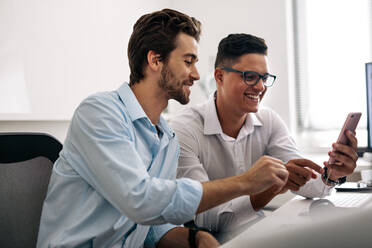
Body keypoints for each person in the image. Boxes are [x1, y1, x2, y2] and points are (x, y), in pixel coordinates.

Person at [37, 11, 291, 248]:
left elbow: (151, 225)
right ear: (155, 60)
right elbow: (141, 200)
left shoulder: (166, 138)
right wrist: (245, 182)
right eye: (188, 61)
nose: (196, 74)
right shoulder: (100, 113)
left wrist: (195, 238)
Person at [170, 33, 358, 241]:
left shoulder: (268, 121)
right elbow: (207, 218)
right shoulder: (184, 130)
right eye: (249, 77)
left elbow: (308, 183)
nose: (260, 87)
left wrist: (332, 173)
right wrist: (269, 190)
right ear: (220, 76)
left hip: (256, 233)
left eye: (264, 78)